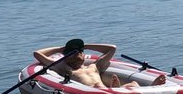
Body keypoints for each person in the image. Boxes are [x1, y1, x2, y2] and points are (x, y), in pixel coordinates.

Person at [33, 38, 166, 90]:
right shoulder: (63, 67)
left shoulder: (94, 66)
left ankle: (152, 88)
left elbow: (112, 48)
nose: (74, 57)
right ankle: (116, 89)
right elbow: (37, 54)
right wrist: (61, 49)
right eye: (70, 54)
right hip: (93, 92)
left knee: (134, 84)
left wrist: (85, 45)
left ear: (82, 54)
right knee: (100, 87)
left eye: (77, 53)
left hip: (105, 90)